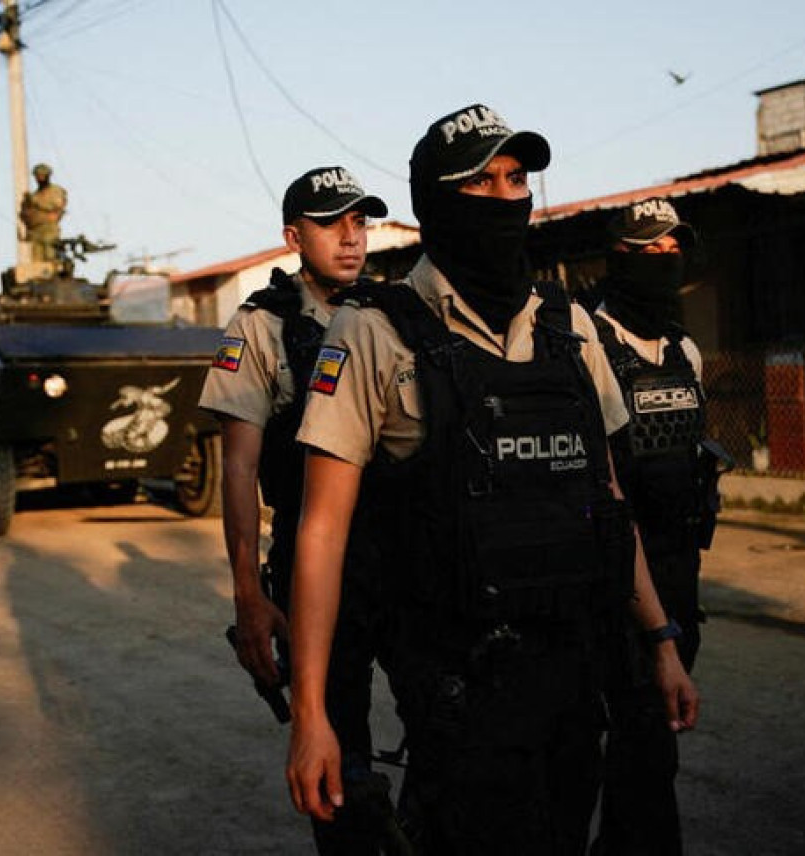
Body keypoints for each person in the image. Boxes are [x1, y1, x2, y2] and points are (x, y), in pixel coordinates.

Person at [286, 103, 699, 854]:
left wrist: (661, 640)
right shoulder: (373, 330)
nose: (509, 197)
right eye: (482, 182)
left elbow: (605, 498)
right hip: (459, 687)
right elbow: (322, 530)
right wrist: (312, 712)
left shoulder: (569, 330)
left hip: (576, 670)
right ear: (437, 202)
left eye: (517, 178)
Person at [198, 166, 391, 854]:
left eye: (360, 221)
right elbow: (241, 468)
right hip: (319, 568)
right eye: (332, 222)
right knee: (338, 757)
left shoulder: (392, 314)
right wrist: (249, 595)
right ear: (292, 236)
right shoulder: (260, 327)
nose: (351, 237)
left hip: (406, 557)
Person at [581, 197, 715, 856]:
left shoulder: (684, 348)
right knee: (629, 738)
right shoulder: (590, 344)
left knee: (650, 741)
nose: (666, 261)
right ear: (618, 259)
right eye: (650, 249)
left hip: (679, 565)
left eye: (674, 249)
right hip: (613, 571)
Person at [20, 163, 67, 263]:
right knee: (37, 262)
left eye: (41, 175)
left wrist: (35, 201)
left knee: (50, 257)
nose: (39, 178)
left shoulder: (55, 191)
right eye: (37, 176)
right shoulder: (35, 194)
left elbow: (56, 206)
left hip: (49, 229)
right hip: (35, 231)